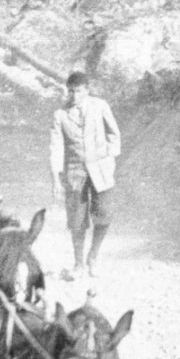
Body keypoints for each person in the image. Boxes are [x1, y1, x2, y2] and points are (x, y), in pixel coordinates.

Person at [48, 69, 121, 282]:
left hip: (101, 171)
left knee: (104, 215)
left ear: (87, 91)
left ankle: (93, 256)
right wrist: (55, 178)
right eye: (70, 92)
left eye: (78, 91)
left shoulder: (100, 106)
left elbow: (114, 135)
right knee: (77, 222)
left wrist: (110, 158)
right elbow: (56, 148)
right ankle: (79, 263)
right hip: (75, 174)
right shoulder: (60, 115)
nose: (74, 96)